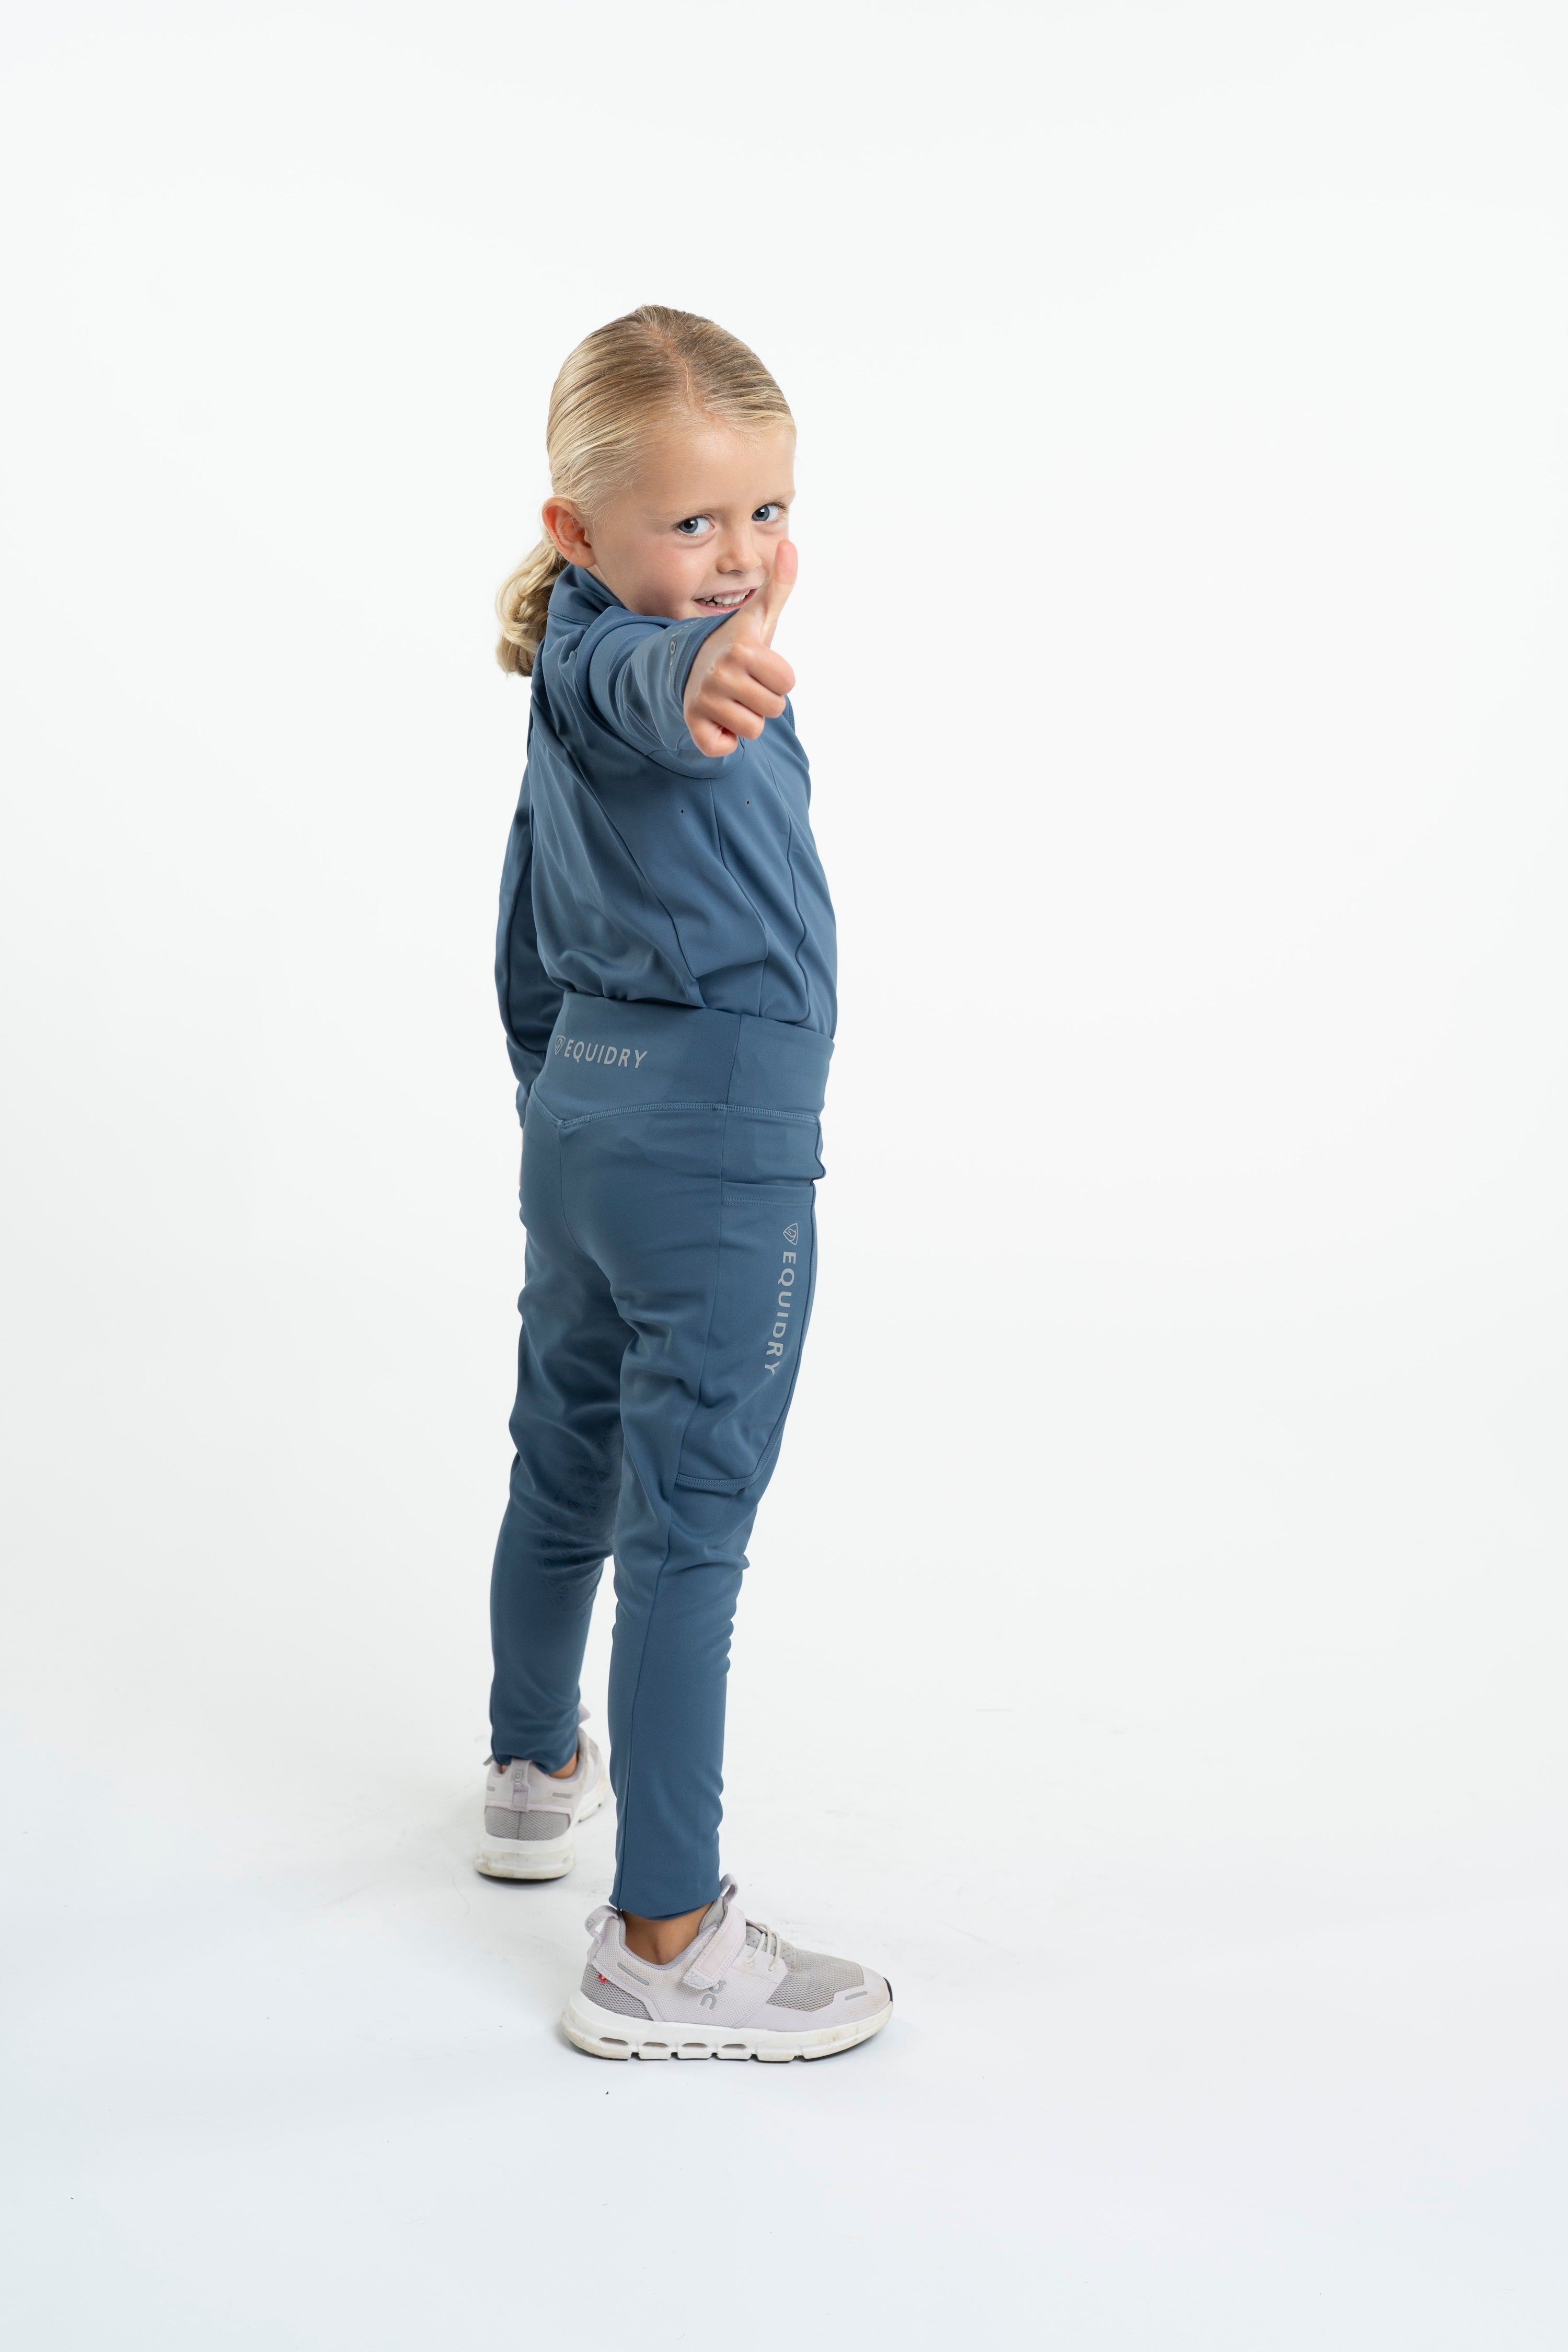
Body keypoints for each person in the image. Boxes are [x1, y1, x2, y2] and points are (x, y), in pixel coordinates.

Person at [478, 307, 892, 2062]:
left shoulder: (573, 643)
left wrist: (559, 1089)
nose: (739, 563)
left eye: (768, 513)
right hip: (713, 1140)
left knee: (563, 1447)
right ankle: (662, 1941)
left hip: (589, 1117)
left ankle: (529, 1763)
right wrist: (698, 675)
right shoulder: (636, 669)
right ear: (576, 531)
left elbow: (517, 918)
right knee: (689, 1534)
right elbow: (656, 691)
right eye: (694, 524)